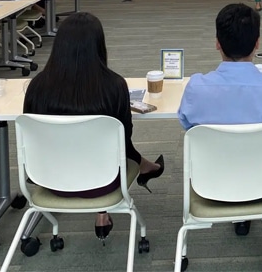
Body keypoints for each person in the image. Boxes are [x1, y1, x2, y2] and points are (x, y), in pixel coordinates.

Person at [23, 12, 165, 243]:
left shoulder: (36, 87)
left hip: (49, 181)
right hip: (103, 182)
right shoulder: (114, 86)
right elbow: (123, 140)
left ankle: (141, 172)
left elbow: (32, 141)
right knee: (114, 146)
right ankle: (140, 172)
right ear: (99, 46)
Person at [177, 3, 262, 236]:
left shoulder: (196, 88)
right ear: (257, 43)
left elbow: (188, 127)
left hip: (211, 184)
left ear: (217, 42)